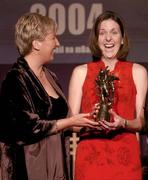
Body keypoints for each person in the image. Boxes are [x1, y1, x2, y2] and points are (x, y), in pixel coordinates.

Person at [0, 12, 99, 180]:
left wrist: (90, 120)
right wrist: (69, 122)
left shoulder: (51, 76)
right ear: (36, 44)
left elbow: (66, 120)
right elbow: (25, 127)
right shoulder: (15, 79)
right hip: (30, 168)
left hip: (57, 165)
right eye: (54, 38)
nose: (58, 43)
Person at [68, 10, 148, 180]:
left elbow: (141, 122)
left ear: (122, 37)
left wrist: (123, 122)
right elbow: (70, 123)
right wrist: (92, 121)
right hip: (90, 159)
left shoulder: (138, 72)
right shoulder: (81, 72)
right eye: (102, 33)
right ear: (96, 39)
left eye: (114, 32)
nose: (108, 38)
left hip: (126, 159)